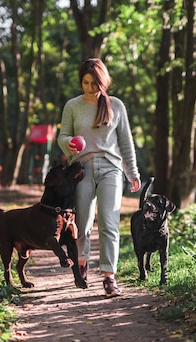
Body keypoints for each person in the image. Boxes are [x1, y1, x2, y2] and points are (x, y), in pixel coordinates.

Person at [57, 58, 141, 297]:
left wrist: (132, 172)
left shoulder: (116, 106)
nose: (90, 88)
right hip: (81, 169)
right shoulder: (72, 106)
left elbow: (126, 143)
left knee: (109, 222)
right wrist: (68, 144)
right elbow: (62, 136)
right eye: (85, 82)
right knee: (83, 223)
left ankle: (109, 277)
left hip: (111, 170)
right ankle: (82, 264)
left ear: (103, 82)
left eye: (94, 83)